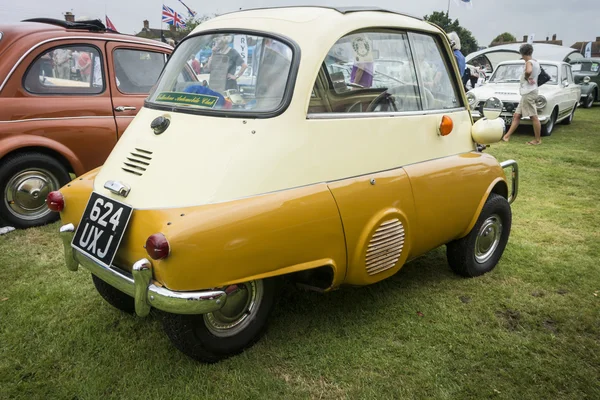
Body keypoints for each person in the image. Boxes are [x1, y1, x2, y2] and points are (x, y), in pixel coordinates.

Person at [502, 44, 542, 145]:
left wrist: (527, 76)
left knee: (533, 116)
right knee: (517, 115)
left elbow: (528, 71)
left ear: (522, 53)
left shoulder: (529, 62)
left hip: (528, 92)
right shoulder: (536, 62)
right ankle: (506, 136)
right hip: (529, 92)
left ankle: (537, 140)